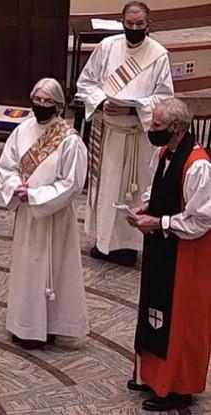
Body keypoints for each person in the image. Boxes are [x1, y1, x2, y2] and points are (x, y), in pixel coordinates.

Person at [126, 98, 211, 412]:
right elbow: (159, 187)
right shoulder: (164, 151)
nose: (151, 130)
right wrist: (146, 207)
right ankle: (152, 376)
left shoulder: (198, 165)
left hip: (187, 254)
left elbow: (201, 218)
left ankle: (179, 387)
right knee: (154, 308)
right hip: (162, 246)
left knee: (181, 319)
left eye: (157, 126)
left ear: (177, 128)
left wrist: (160, 222)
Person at [76, 1, 174, 267]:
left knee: (134, 192)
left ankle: (130, 245)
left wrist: (134, 109)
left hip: (138, 136)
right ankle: (104, 242)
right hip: (109, 133)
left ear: (148, 25)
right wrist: (101, 101)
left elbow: (165, 98)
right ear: (122, 23)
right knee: (107, 189)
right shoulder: (107, 48)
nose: (133, 29)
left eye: (139, 25)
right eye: (129, 25)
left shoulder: (158, 55)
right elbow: (85, 83)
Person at [0, 78, 90, 349]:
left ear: (58, 105)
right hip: (28, 215)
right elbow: (8, 166)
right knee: (27, 268)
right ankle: (23, 324)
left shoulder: (69, 141)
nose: (40, 105)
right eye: (37, 100)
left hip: (55, 217)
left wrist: (36, 195)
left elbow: (72, 183)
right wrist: (16, 187)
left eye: (47, 101)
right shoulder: (23, 129)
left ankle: (49, 325)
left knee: (53, 270)